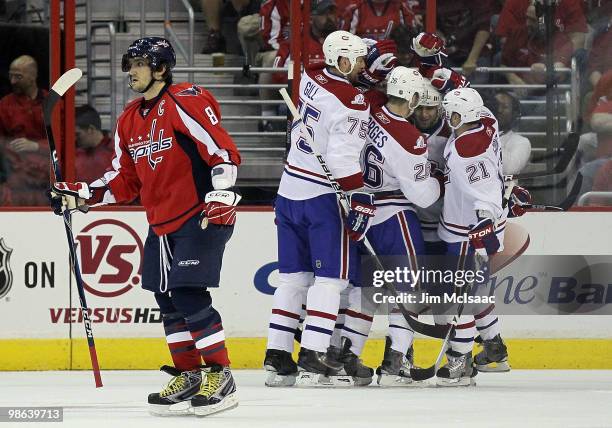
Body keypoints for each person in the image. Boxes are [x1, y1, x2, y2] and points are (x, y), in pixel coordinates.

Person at [48, 37, 241, 416]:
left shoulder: (185, 100)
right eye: (130, 63)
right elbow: (124, 180)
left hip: (198, 214)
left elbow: (220, 150)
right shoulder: (129, 119)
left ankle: (221, 374)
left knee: (187, 295)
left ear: (160, 68)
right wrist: (82, 194)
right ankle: (189, 374)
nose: (131, 71)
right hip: (161, 222)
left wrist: (221, 194)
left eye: (139, 64)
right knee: (167, 300)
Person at [264, 30, 372, 387]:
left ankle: (278, 356)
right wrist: (360, 195)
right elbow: (342, 159)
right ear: (341, 61)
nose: (361, 66)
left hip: (288, 192)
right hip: (321, 198)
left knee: (293, 278)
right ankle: (312, 355)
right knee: (331, 280)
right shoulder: (353, 101)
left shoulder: (311, 76)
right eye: (357, 60)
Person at [339, 67, 445, 387]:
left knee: (366, 292)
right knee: (409, 289)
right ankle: (394, 363)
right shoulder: (410, 138)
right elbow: (422, 197)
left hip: (360, 212)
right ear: (412, 98)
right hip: (394, 217)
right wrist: (439, 178)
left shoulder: (369, 109)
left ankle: (349, 357)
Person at [0, 54, 49, 206]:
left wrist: (36, 146)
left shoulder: (51, 102)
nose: (12, 81)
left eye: (18, 77)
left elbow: (64, 141)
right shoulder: (5, 104)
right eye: (11, 76)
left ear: (32, 76)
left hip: (47, 176)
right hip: (16, 177)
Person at [487, 90, 531, 175]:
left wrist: (489, 133)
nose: (499, 110)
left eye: (504, 107)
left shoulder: (522, 142)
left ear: (514, 113)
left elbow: (509, 169)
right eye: (496, 106)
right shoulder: (476, 136)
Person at [74, 105, 114, 184]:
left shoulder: (117, 153)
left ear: (91, 129)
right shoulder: (73, 153)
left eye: (77, 134)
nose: (74, 139)